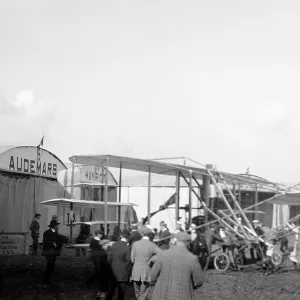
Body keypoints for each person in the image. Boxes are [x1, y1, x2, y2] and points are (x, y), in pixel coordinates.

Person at [150, 231, 204, 300]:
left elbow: (152, 276)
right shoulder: (192, 259)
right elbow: (199, 281)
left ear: (176, 240)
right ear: (188, 243)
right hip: (183, 295)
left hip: (161, 294)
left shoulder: (163, 254)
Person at [131, 226, 161, 300]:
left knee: (137, 291)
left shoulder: (135, 244)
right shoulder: (152, 245)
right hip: (146, 269)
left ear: (141, 234)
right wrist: (152, 259)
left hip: (136, 270)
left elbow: (132, 259)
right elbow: (161, 254)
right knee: (144, 292)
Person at [107, 229, 131, 300]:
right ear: (128, 237)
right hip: (123, 273)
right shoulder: (127, 247)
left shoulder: (114, 245)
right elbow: (128, 261)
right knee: (121, 293)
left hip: (113, 271)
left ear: (121, 236)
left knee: (111, 291)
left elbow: (109, 258)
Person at [42, 220, 62, 285]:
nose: (57, 227)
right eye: (56, 226)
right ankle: (45, 281)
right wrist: (52, 243)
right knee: (50, 264)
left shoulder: (56, 233)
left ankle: (48, 279)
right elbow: (45, 241)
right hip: (48, 251)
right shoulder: (47, 233)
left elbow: (58, 240)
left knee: (51, 265)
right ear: (54, 226)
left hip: (53, 252)